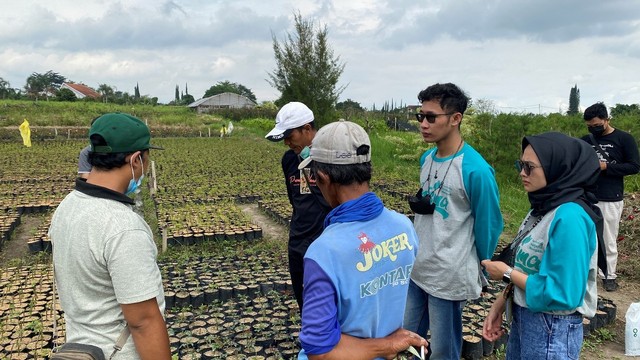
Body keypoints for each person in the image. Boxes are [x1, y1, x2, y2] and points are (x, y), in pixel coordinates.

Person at [296, 119, 427, 359]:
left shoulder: (324, 252)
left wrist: (387, 346)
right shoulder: (404, 227)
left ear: (323, 177)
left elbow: (321, 352)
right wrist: (388, 343)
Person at [49, 113, 170, 359]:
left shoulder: (67, 206)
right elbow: (143, 322)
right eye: (146, 158)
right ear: (136, 159)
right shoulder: (123, 227)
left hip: (79, 349)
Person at [403, 83, 503, 359]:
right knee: (407, 340)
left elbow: (490, 224)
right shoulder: (427, 158)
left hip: (448, 274)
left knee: (444, 351)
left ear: (455, 118)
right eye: (420, 116)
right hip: (418, 267)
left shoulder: (476, 170)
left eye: (431, 117)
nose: (423, 123)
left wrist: (480, 267)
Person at [482, 132, 600, 359]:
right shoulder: (543, 207)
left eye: (530, 167)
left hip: (552, 327)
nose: (522, 173)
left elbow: (563, 293)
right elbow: (530, 268)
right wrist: (501, 301)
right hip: (527, 317)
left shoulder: (569, 217)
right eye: (521, 165)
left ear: (557, 167)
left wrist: (506, 273)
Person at [265, 102, 331, 312]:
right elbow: (294, 199)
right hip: (298, 238)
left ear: (307, 129)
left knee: (328, 298)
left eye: (290, 136)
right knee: (303, 296)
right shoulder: (289, 160)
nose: (286, 142)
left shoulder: (331, 157)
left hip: (326, 239)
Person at [581, 102, 640, 291]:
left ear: (607, 119)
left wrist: (607, 167)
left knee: (608, 238)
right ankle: (586, 271)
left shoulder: (624, 139)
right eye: (590, 126)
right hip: (587, 195)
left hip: (610, 196)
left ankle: (609, 275)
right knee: (584, 236)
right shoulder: (586, 139)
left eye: (597, 125)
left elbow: (634, 166)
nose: (594, 129)